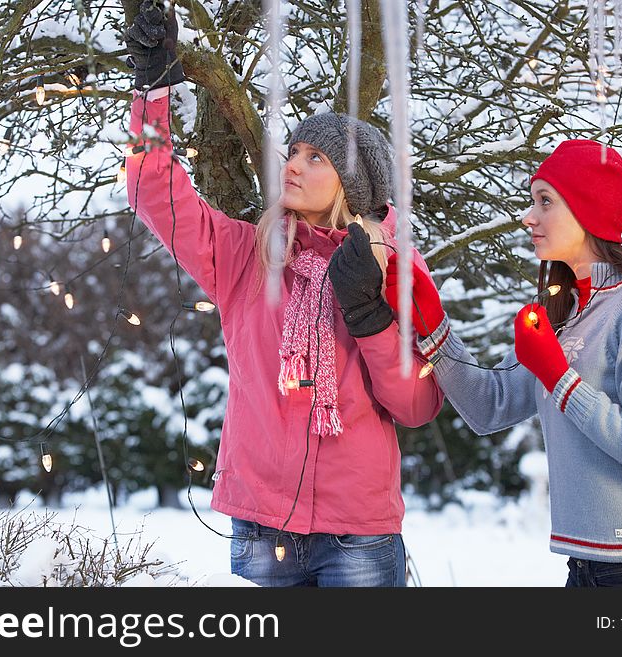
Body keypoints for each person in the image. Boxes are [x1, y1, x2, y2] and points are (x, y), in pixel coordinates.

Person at [124, 1, 443, 587]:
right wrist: (153, 91)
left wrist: (368, 313)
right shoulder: (248, 256)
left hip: (359, 534)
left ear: (353, 181)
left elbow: (416, 406)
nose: (292, 165)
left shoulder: (394, 265)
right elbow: (153, 192)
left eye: (315, 156)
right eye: (293, 151)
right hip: (262, 525)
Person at [387, 139, 622, 587]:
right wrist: (432, 323)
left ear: (587, 209)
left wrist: (558, 376)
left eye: (545, 201)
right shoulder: (563, 311)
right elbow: (488, 406)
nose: (528, 216)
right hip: (586, 569)